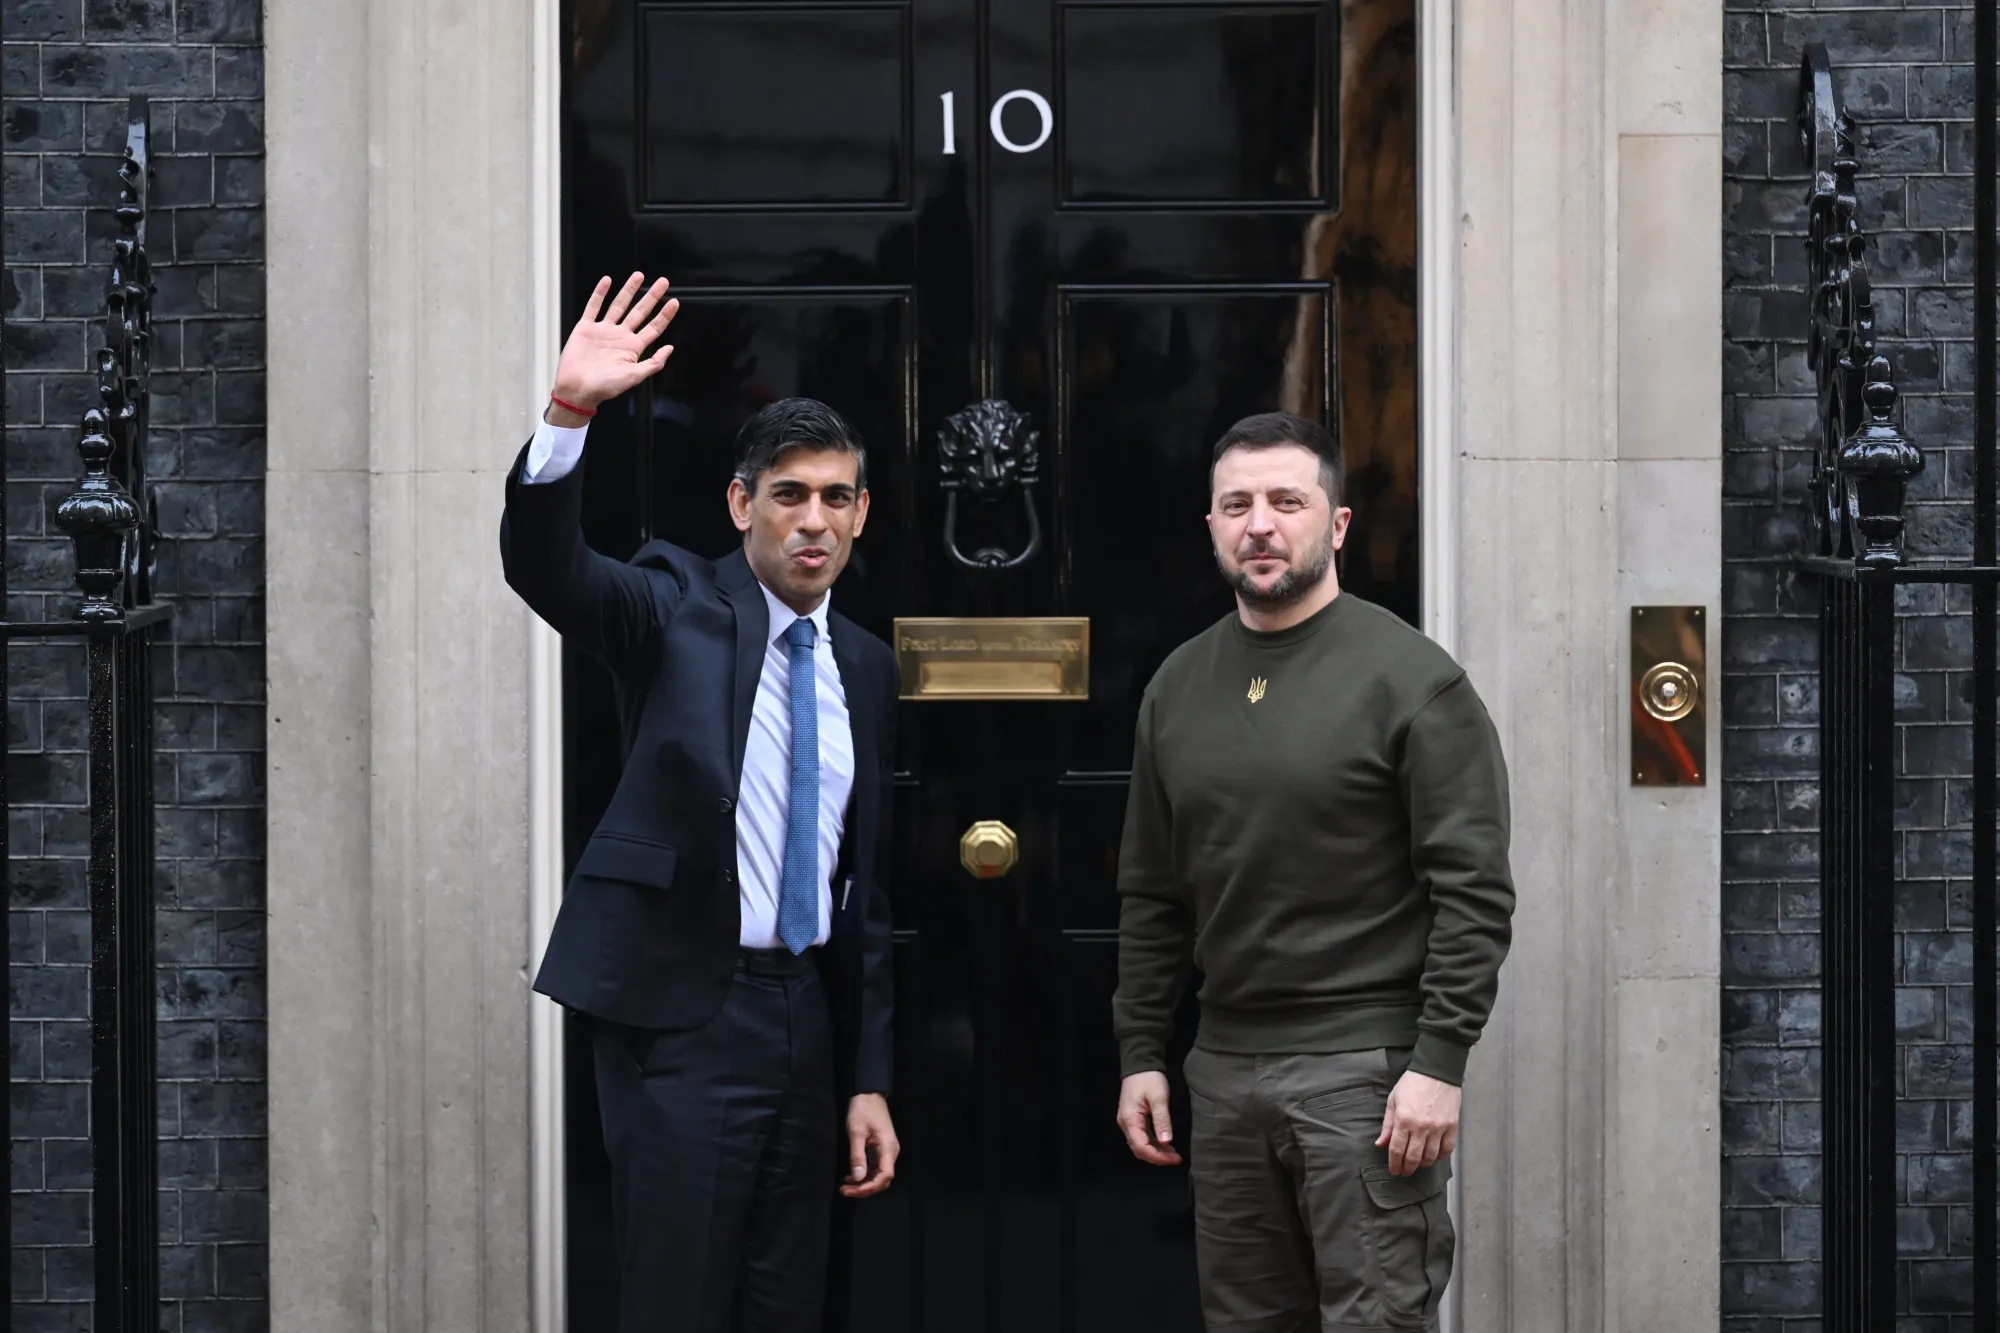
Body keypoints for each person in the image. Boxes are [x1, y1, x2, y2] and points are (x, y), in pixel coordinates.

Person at [501, 272, 900, 1333]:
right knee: (677, 1301)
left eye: (835, 498)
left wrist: (866, 1076)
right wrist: (569, 412)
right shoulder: (672, 603)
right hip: (685, 1018)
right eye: (789, 494)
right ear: (741, 505)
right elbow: (547, 567)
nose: (813, 521)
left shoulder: (865, 664)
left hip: (807, 1019)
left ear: (861, 514)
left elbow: (863, 889)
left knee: (787, 1304)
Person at [1111, 411, 1515, 1332]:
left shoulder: (1414, 682)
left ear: (1336, 525)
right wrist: (1141, 1052)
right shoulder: (1176, 685)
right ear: (1211, 525)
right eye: (1237, 505)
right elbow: (1152, 894)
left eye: (1287, 502)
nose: (1260, 524)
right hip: (1223, 1074)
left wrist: (1439, 1062)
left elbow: (1474, 892)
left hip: (1364, 1080)